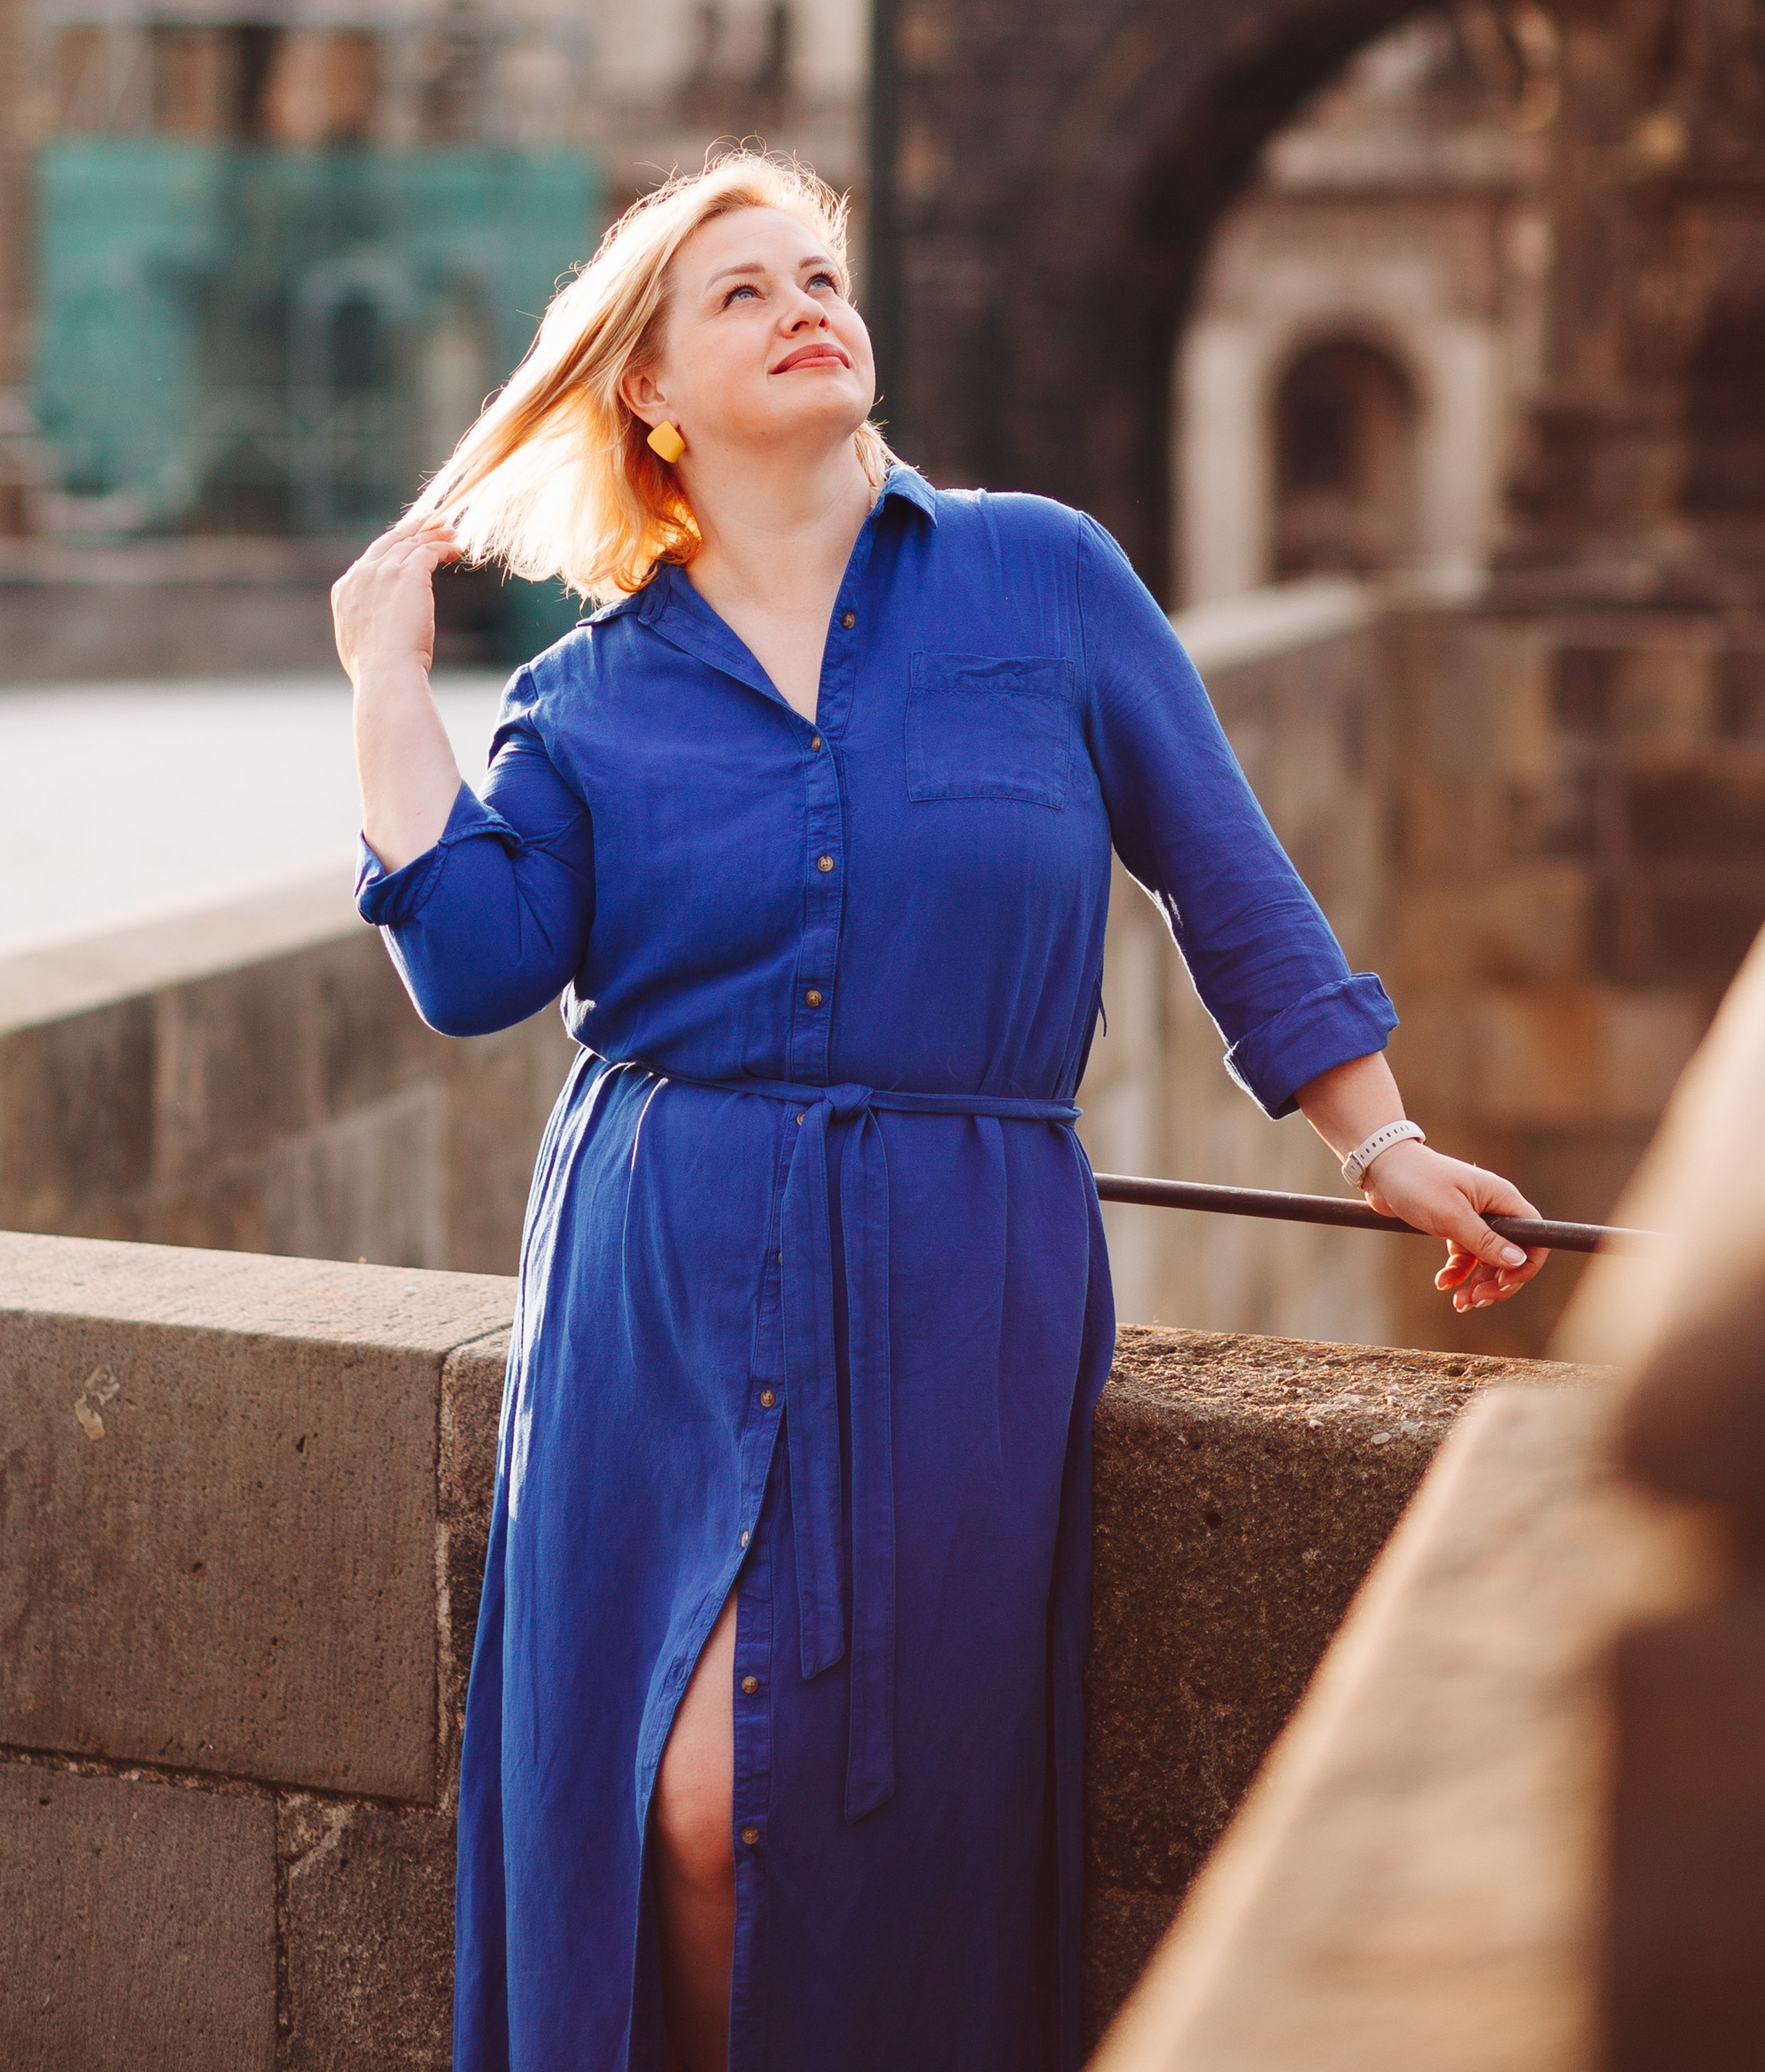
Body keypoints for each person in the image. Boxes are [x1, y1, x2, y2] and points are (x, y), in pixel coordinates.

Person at [330, 151, 1544, 2072]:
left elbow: (1221, 877)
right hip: (659, 1276)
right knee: (693, 1812)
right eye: (739, 291)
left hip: (952, 1273)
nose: (807, 302)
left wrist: (1373, 1139)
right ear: (642, 386)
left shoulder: (1039, 577)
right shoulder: (586, 695)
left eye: (820, 273)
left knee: (875, 1813)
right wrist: (388, 694)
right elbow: (475, 965)